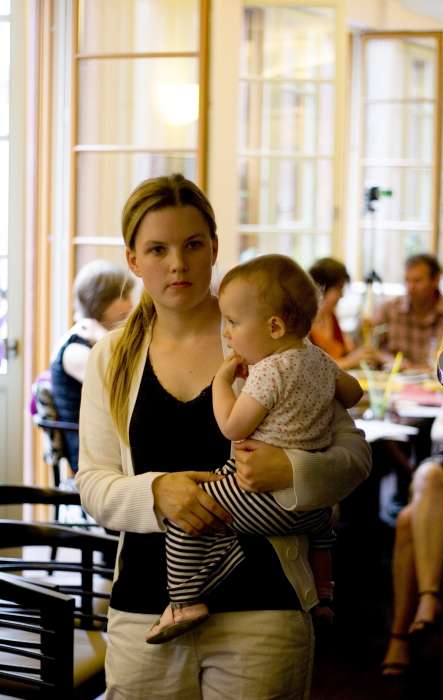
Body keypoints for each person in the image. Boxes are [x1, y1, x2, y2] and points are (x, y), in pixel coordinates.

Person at [76, 174, 372, 699]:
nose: (178, 264)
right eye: (157, 249)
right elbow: (93, 483)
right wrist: (155, 493)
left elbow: (355, 455)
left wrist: (295, 471)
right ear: (132, 259)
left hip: (264, 608)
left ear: (214, 247)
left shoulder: (267, 335)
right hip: (147, 613)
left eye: (192, 245)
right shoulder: (112, 357)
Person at [147, 254, 363, 644]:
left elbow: (232, 426)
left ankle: (183, 601)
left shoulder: (269, 371)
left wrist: (220, 384)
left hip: (266, 498)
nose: (227, 332)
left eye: (233, 322)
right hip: (314, 510)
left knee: (188, 511)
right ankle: (324, 594)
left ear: (274, 326)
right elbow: (354, 393)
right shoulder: (317, 358)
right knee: (320, 533)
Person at [381, 392, 443, 677]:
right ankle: (429, 597)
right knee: (428, 475)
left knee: (406, 520)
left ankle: (400, 636)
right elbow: (441, 425)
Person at [50, 259, 134, 473]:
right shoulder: (75, 350)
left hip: (107, 444)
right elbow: (123, 389)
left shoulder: (91, 339)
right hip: (91, 455)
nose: (131, 305)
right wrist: (104, 338)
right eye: (123, 296)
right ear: (100, 301)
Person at [372, 253, 443, 371]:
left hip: (440, 384)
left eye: (417, 281)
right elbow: (372, 350)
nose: (410, 287)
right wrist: (392, 361)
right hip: (395, 381)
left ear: (436, 279)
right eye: (407, 280)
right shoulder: (388, 309)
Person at [308, 257, 380, 369]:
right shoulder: (303, 325)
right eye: (338, 289)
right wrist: (351, 361)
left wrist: (361, 332)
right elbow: (313, 368)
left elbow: (348, 351)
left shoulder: (330, 317)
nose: (341, 295)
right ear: (321, 288)